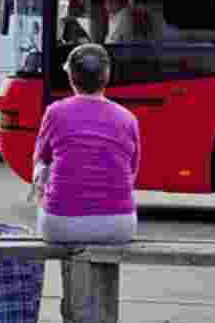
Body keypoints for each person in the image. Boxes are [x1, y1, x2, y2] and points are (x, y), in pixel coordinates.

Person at [33, 43, 140, 243]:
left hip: (61, 224)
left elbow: (40, 164)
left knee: (43, 172)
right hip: (119, 225)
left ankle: (70, 274)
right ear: (106, 76)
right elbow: (132, 172)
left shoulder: (55, 113)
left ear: (71, 77)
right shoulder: (128, 118)